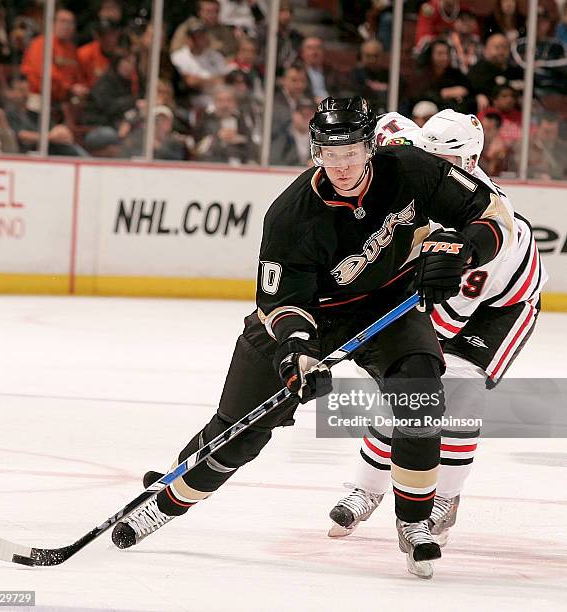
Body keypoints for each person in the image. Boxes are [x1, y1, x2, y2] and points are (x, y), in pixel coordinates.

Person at [108, 96, 515, 579]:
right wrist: (297, 353)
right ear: (314, 152)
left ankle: (414, 522)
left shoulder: (409, 168)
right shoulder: (290, 216)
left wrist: (465, 247)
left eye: (350, 153)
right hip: (311, 318)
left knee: (420, 391)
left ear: (371, 147)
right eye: (328, 154)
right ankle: (167, 503)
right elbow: (282, 303)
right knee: (239, 431)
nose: (340, 167)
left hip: (386, 303)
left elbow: (491, 211)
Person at [327, 109, 546, 549]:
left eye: (443, 161)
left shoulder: (486, 216)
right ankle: (366, 490)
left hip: (502, 308)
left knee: (453, 393)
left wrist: (399, 346)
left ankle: (444, 498)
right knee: (407, 393)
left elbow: (452, 310)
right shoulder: (428, 186)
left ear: (467, 163)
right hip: (454, 299)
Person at [20, 9, 89, 112]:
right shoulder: (41, 43)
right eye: (62, 21)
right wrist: (70, 88)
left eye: (70, 23)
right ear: (53, 23)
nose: (66, 26)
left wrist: (81, 88)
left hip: (64, 100)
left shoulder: (72, 50)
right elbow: (44, 72)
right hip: (40, 98)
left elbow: (78, 75)